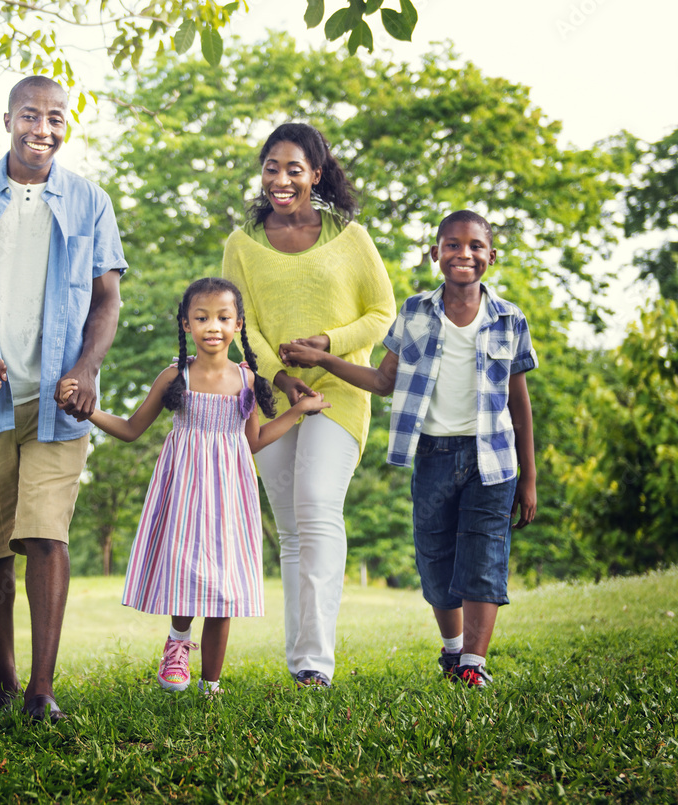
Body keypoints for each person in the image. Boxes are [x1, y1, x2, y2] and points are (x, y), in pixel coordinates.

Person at [0, 75, 127, 723]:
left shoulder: (89, 201)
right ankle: (5, 684)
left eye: (56, 118)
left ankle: (42, 689)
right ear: (7, 119)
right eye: (31, 115)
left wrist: (88, 369)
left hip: (58, 402)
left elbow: (106, 298)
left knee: (46, 533)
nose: (44, 128)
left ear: (68, 126)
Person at [281, 210, 538, 687]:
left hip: (493, 459)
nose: (465, 254)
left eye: (476, 246)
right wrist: (322, 358)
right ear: (435, 253)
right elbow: (382, 381)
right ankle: (454, 649)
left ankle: (474, 667)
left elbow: (519, 405)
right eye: (453, 245)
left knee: (484, 558)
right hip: (434, 456)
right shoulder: (416, 312)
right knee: (436, 562)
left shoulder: (509, 319)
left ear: (491, 256)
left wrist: (529, 478)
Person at [58, 278, 330, 694]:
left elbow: (253, 440)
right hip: (184, 490)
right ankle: (178, 642)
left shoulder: (246, 379)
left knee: (226, 585)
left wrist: (300, 410)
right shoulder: (175, 376)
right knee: (187, 572)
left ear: (238, 324)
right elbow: (131, 429)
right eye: (202, 318)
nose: (213, 326)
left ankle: (212, 685)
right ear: (186, 324)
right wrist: (87, 410)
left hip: (231, 493)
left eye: (223, 318)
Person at [222, 123, 396, 688]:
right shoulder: (241, 245)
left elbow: (381, 313)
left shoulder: (351, 237)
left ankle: (317, 662)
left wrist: (326, 344)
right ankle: (301, 663)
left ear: (316, 174)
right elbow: (236, 325)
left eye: (294, 169)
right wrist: (278, 376)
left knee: (318, 506)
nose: (280, 179)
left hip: (340, 393)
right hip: (272, 398)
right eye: (272, 167)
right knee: (293, 529)